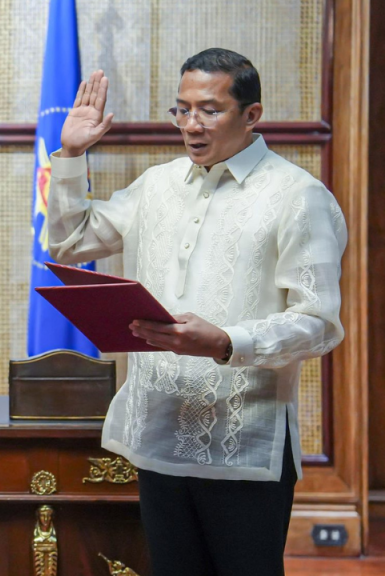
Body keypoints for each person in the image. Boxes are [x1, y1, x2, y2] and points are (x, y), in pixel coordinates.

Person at [48, 48, 346, 576]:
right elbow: (70, 242)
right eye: (181, 109)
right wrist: (70, 154)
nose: (191, 125)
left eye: (209, 110)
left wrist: (227, 341)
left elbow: (318, 324)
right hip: (157, 438)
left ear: (251, 115)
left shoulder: (299, 197)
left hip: (244, 448)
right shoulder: (158, 185)